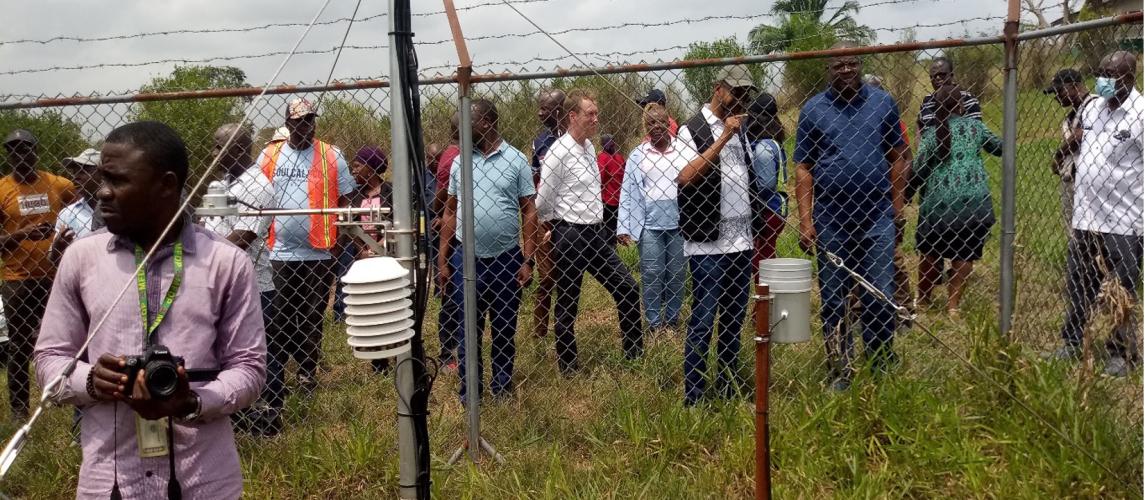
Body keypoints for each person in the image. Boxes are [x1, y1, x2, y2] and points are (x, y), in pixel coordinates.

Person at [35, 121, 266, 498]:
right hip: (110, 481)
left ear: (167, 185)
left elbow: (249, 368)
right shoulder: (81, 259)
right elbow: (49, 358)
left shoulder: (227, 263)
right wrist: (91, 380)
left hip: (203, 480)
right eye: (101, 179)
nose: (102, 193)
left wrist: (192, 402)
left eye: (118, 180)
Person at [795, 47, 909, 391]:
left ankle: (880, 361)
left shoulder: (882, 103)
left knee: (880, 294)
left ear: (860, 65)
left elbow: (899, 155)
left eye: (852, 63)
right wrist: (805, 220)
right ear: (828, 69)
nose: (846, 69)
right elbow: (803, 166)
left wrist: (898, 207)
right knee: (834, 299)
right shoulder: (813, 110)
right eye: (838, 64)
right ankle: (840, 370)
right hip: (832, 222)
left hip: (876, 218)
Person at [1048, 51, 1143, 378]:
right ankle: (1072, 340)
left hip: (1124, 220)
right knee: (1080, 283)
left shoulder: (1140, 114)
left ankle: (1122, 353)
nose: (1102, 80)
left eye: (1110, 74)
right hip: (1086, 216)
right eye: (1100, 72)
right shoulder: (1093, 109)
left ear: (1129, 78)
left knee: (1121, 287)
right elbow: (1080, 139)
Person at [438, 99, 539, 400]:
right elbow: (449, 212)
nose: (457, 131)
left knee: (504, 329)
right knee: (468, 330)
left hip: (506, 259)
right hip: (466, 260)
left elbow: (529, 211)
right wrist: (443, 260)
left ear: (486, 123)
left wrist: (528, 259)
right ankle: (471, 391)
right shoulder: (460, 162)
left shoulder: (516, 160)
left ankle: (503, 388)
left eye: (464, 123)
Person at [537, 89, 643, 376]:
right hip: (570, 235)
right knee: (569, 301)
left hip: (596, 234)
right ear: (573, 116)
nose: (596, 119)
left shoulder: (587, 148)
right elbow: (543, 200)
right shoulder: (558, 153)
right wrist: (557, 226)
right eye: (590, 114)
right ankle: (569, 368)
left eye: (597, 113)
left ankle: (634, 354)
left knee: (627, 287)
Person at [261, 98, 356, 395]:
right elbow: (255, 194)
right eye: (300, 120)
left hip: (319, 251)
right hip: (277, 251)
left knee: (313, 314)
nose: (306, 125)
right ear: (288, 123)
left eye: (310, 120)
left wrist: (339, 242)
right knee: (279, 313)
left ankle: (306, 372)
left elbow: (347, 199)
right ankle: (278, 372)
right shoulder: (270, 155)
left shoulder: (331, 155)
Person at [675, 65, 757, 405]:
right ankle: (694, 396)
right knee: (704, 319)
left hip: (741, 243)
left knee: (733, 320)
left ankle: (727, 385)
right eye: (734, 91)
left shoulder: (743, 129)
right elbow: (685, 176)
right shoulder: (690, 129)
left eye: (745, 93)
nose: (740, 98)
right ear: (717, 88)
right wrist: (723, 137)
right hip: (708, 244)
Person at [200, 123, 280, 436]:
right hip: (216, 284)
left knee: (256, 353)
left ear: (239, 147)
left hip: (251, 286)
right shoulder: (219, 185)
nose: (213, 153)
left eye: (219, 147)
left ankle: (268, 415)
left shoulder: (258, 185)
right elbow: (204, 225)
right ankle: (237, 415)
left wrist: (202, 258)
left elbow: (243, 236)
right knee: (225, 352)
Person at [0, 129, 77, 419]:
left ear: (36, 151)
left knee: (65, 337)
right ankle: (20, 411)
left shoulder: (58, 185)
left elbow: (81, 214)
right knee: (19, 344)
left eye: (26, 149)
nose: (20, 155)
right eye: (14, 150)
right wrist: (24, 233)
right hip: (17, 279)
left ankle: (66, 397)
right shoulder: (2, 189)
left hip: (56, 275)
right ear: (9, 155)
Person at [913, 85, 1003, 316]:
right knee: (964, 254)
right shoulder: (975, 128)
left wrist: (906, 193)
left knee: (930, 253)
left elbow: (919, 169)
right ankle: (953, 307)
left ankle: (923, 299)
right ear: (961, 106)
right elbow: (999, 148)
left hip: (939, 208)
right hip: (974, 204)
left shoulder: (932, 135)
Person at [618, 103, 687, 333]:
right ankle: (655, 323)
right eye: (650, 123)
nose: (656, 127)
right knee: (652, 273)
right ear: (645, 126)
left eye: (660, 122)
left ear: (669, 122)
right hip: (648, 225)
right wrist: (623, 226)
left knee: (676, 273)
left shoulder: (682, 149)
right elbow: (627, 191)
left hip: (679, 224)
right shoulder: (638, 155)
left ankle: (673, 319)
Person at [1045, 68, 1099, 231]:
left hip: (1091, 178)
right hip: (1076, 177)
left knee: (1090, 230)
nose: (1057, 97)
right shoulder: (1073, 113)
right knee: (1075, 229)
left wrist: (1059, 155)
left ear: (1075, 86)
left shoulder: (1094, 104)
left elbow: (1080, 135)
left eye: (1060, 91)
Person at [530, 88, 565, 339]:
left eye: (546, 108)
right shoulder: (539, 142)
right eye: (540, 107)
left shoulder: (576, 140)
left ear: (561, 111)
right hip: (545, 218)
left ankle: (563, 329)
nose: (540, 113)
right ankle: (540, 333)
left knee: (567, 278)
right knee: (547, 278)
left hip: (568, 218)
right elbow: (535, 178)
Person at [744, 92, 789, 269]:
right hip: (775, 207)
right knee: (766, 256)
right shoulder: (773, 141)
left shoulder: (762, 147)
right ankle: (766, 293)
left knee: (759, 261)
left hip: (767, 210)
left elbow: (766, 184)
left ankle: (764, 294)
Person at [433, 114, 462, 370]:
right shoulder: (452, 158)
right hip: (452, 236)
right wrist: (441, 218)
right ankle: (447, 352)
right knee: (451, 293)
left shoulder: (462, 153)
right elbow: (441, 200)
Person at [51, 148, 103, 263]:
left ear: (102, 173)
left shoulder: (121, 210)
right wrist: (57, 248)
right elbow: (54, 260)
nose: (76, 177)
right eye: (74, 172)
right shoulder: (67, 214)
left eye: (83, 171)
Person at [918, 57, 983, 131]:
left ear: (951, 76)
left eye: (942, 74)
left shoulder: (968, 98)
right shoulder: (927, 101)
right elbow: (922, 130)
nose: (938, 78)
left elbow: (977, 130)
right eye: (933, 76)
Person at [597, 134, 625, 237]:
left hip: (608, 199)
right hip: (619, 198)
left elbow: (600, 178)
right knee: (614, 227)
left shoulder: (603, 157)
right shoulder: (619, 157)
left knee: (607, 229)